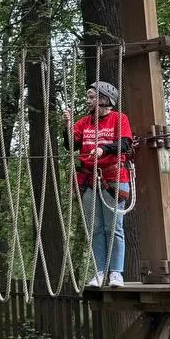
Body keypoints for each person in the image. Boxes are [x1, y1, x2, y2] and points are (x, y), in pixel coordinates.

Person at [67, 81, 133, 288]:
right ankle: (100, 271)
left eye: (91, 97)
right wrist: (67, 126)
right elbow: (70, 145)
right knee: (95, 228)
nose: (88, 101)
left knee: (113, 227)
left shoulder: (119, 119)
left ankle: (116, 273)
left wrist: (104, 149)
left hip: (113, 178)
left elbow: (125, 143)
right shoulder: (84, 123)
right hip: (88, 179)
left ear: (104, 99)